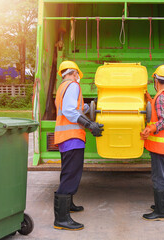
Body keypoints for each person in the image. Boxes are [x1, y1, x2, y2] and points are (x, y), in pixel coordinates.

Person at [53, 60, 104, 230]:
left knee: (68, 173)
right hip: (72, 138)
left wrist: (94, 104)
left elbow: (79, 108)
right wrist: (90, 125)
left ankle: (68, 205)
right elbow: (69, 110)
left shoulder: (62, 87)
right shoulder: (73, 85)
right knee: (71, 175)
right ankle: (61, 219)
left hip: (65, 137)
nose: (78, 77)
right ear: (74, 73)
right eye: (78, 74)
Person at [140, 64, 164, 221]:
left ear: (156, 79)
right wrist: (149, 99)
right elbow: (161, 110)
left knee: (159, 177)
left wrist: (150, 129)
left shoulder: (161, 97)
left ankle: (160, 213)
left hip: (160, 146)